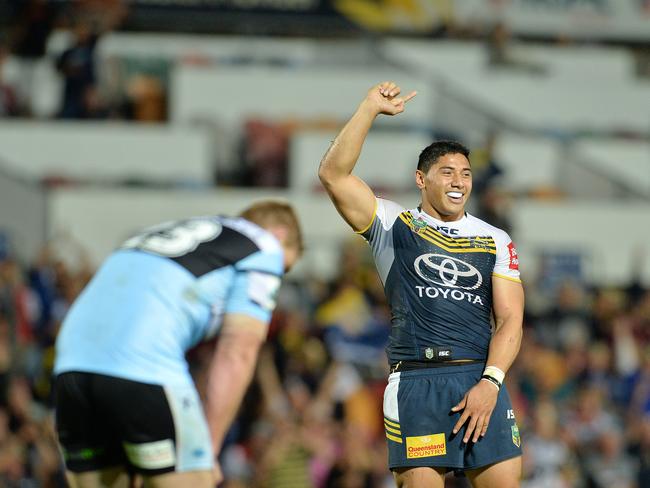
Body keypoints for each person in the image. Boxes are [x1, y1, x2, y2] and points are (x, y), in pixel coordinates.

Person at [318, 82, 524, 488]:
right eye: (447, 172)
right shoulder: (393, 225)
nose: (458, 181)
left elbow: (511, 320)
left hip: (480, 380)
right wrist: (369, 109)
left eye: (466, 174)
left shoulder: (495, 238)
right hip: (416, 382)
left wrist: (491, 382)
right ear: (421, 178)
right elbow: (332, 174)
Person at [53, 200, 303, 488]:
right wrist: (209, 448)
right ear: (281, 234)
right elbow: (238, 353)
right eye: (285, 270)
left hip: (71, 365)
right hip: (143, 366)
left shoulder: (158, 234)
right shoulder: (264, 245)